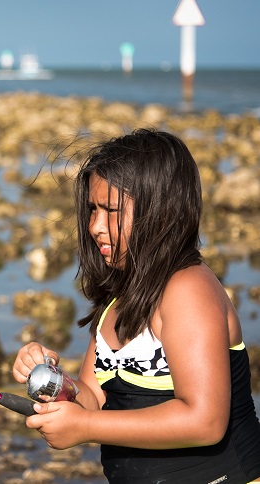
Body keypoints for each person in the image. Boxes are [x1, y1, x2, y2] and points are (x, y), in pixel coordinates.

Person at [13, 129, 260, 483]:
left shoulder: (188, 289)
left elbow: (205, 421)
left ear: (160, 213)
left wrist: (86, 427)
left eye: (110, 211)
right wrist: (52, 379)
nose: (95, 226)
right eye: (92, 210)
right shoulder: (118, 299)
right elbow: (92, 400)